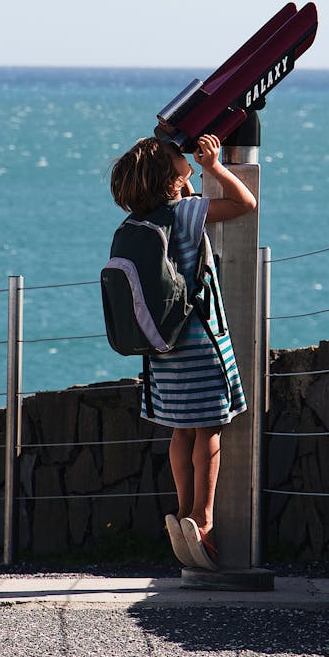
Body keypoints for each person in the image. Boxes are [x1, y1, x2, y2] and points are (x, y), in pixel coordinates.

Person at [109, 132, 256, 571]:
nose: (184, 156)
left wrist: (186, 179)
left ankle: (183, 508)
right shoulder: (188, 213)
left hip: (161, 347)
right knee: (209, 429)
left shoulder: (138, 223)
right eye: (178, 155)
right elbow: (243, 204)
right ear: (169, 176)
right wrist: (214, 167)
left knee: (181, 430)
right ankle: (204, 519)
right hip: (199, 341)